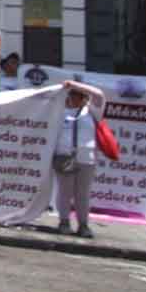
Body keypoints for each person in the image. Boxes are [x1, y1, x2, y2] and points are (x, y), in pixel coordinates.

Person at [52, 79, 106, 238]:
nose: (75, 98)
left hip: (86, 158)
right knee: (65, 192)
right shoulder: (61, 112)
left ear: (85, 98)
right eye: (73, 95)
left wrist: (73, 84)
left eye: (79, 95)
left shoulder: (92, 112)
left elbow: (99, 94)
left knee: (82, 193)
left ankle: (83, 225)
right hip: (64, 156)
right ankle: (64, 222)